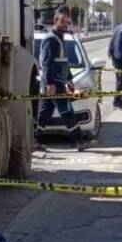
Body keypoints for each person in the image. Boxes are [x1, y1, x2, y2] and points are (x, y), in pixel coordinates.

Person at [36, 9, 89, 151]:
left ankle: (34, 140)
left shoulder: (60, 38)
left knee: (45, 113)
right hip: (54, 83)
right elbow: (47, 63)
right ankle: (79, 141)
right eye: (62, 22)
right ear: (55, 21)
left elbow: (63, 62)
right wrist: (50, 84)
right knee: (67, 111)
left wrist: (70, 79)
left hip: (58, 82)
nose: (65, 25)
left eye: (67, 22)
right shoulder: (51, 39)